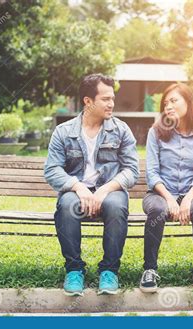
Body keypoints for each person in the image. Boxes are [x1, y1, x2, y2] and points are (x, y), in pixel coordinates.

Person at [44, 74, 139, 296]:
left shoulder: (121, 130)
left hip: (111, 189)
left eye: (112, 98)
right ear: (88, 101)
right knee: (67, 205)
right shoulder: (64, 132)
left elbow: (132, 171)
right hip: (77, 191)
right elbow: (52, 170)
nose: (111, 104)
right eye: (105, 99)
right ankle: (74, 269)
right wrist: (78, 187)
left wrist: (105, 190)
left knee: (116, 207)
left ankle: (109, 271)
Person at [139, 83, 193, 293]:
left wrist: (187, 199)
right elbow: (152, 173)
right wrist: (170, 199)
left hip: (191, 193)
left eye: (174, 101)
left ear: (188, 103)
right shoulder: (155, 133)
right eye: (166, 103)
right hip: (159, 193)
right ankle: (149, 269)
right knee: (158, 210)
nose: (168, 106)